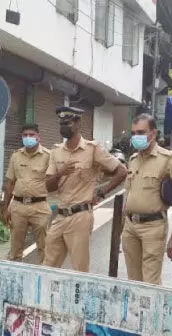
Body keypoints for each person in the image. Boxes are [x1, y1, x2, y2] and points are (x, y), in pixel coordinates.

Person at [44, 106, 127, 272]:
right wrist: (60, 173)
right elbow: (49, 186)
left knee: (79, 268)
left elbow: (122, 171)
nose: (63, 127)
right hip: (60, 216)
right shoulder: (56, 151)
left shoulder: (92, 149)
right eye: (61, 124)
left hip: (80, 217)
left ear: (77, 124)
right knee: (48, 267)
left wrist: (102, 192)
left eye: (67, 123)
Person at [122, 114, 172, 285]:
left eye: (141, 132)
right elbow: (128, 194)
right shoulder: (133, 160)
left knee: (150, 284)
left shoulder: (169, 159)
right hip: (130, 227)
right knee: (133, 281)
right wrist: (122, 227)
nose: (136, 137)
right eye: (133, 133)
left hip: (153, 228)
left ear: (153, 133)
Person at [2, 123, 51, 263]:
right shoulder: (15, 156)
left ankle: (44, 274)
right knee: (15, 249)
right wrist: (5, 208)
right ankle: (15, 273)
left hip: (40, 206)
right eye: (25, 135)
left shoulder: (48, 156)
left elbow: (54, 180)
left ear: (38, 137)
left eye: (31, 135)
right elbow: (10, 183)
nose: (28, 137)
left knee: (44, 247)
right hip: (18, 207)